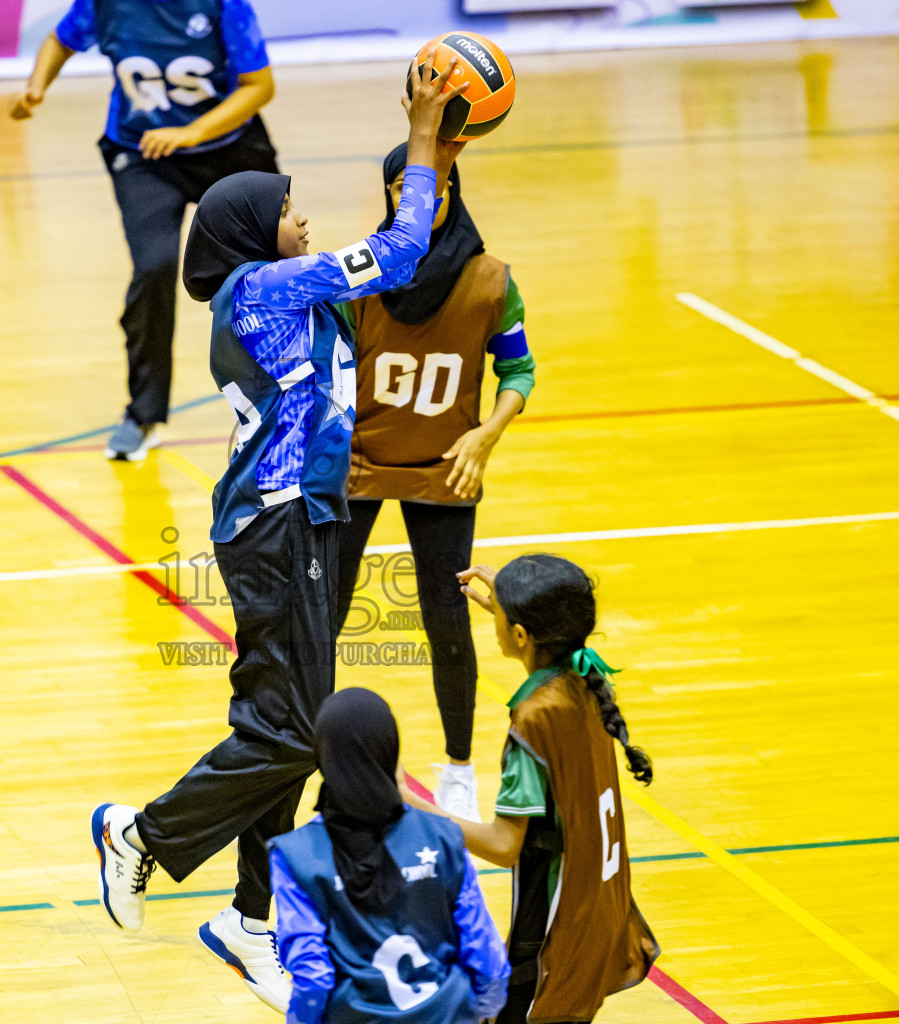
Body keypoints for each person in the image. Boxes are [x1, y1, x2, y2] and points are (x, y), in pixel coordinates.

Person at [88, 54, 465, 1012]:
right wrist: (419, 139)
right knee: (296, 734)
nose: (303, 219)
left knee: (280, 727)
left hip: (303, 522)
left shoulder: (281, 296)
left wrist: (438, 159)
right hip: (277, 526)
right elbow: (398, 252)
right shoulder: (261, 288)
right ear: (255, 230)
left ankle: (254, 921)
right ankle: (142, 834)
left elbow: (407, 252)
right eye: (291, 207)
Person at [334, 143, 536, 824]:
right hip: (358, 461)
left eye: (433, 187)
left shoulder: (490, 279)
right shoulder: (359, 272)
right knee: (323, 615)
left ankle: (457, 769)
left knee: (448, 622)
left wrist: (487, 433)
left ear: (451, 190)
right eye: (404, 188)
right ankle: (312, 761)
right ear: (392, 195)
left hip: (445, 463)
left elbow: (520, 373)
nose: (420, 199)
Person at [9, 0, 279, 461]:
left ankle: (295, 399)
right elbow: (59, 40)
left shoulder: (222, 5)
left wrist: (191, 132)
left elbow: (259, 87)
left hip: (229, 148)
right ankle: (143, 415)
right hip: (143, 154)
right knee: (153, 269)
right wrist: (36, 86)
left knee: (272, 273)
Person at [400, 554, 661, 1023]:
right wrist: (517, 599)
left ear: (520, 635)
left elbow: (503, 845)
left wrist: (412, 807)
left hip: (555, 938)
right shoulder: (587, 678)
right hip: (603, 916)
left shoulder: (534, 720)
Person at [269, 687, 511, 1024]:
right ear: (390, 750)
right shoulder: (444, 836)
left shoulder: (295, 855)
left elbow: (313, 979)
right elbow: (489, 961)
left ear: (322, 755)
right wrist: (479, 1014)